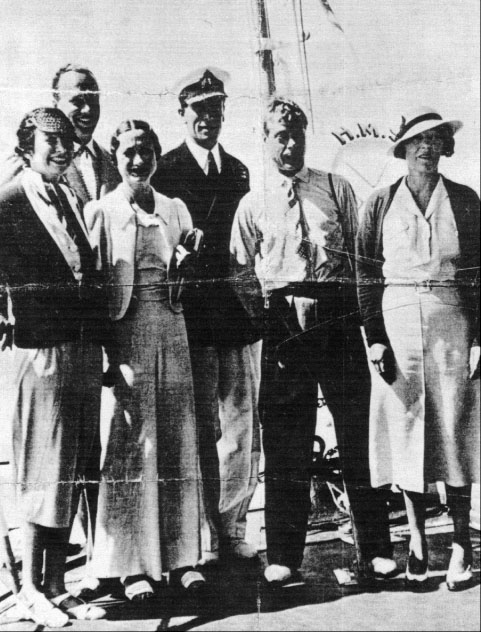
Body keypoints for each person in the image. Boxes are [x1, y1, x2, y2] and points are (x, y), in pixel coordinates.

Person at [230, 97, 397, 585]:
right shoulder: (253, 199)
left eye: (296, 134)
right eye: (279, 135)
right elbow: (240, 269)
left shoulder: (335, 187)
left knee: (357, 432)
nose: (289, 144)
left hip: (336, 311)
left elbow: (362, 256)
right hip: (283, 317)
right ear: (265, 140)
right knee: (286, 439)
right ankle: (283, 555)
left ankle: (375, 548)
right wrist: (264, 315)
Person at [356, 107, 480, 591]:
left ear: (445, 148)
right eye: (418, 141)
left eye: (436, 140)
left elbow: (479, 272)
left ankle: (462, 546)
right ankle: (416, 544)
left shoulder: (466, 201)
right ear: (404, 149)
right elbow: (365, 273)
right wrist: (376, 340)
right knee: (407, 430)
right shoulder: (379, 203)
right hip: (398, 323)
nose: (427, 148)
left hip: (452, 321)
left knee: (454, 428)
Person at [85, 120, 206, 602]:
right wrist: (106, 356)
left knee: (177, 440)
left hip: (172, 331)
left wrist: (184, 267)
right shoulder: (103, 210)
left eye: (147, 151)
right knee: (134, 446)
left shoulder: (175, 208)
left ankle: (181, 559)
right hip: (128, 334)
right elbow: (96, 291)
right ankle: (133, 567)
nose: (139, 161)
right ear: (116, 157)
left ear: (158, 155)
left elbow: (185, 288)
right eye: (130, 152)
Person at [0, 108, 108, 624]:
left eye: (67, 140)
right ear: (27, 145)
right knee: (40, 473)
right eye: (51, 140)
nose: (63, 148)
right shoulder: (7, 202)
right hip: (39, 354)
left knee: (71, 469)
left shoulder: (67, 196)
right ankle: (29, 590)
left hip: (80, 353)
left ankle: (57, 584)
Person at [151, 68, 261, 563]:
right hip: (190, 318)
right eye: (199, 110)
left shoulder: (238, 170)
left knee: (239, 427)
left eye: (216, 109)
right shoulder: (166, 169)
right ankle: (199, 535)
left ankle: (233, 529)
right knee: (197, 430)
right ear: (182, 112)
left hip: (235, 316)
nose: (207, 118)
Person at [0, 64, 120, 204]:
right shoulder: (28, 158)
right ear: (56, 105)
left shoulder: (116, 162)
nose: (88, 110)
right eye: (77, 101)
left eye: (93, 100)